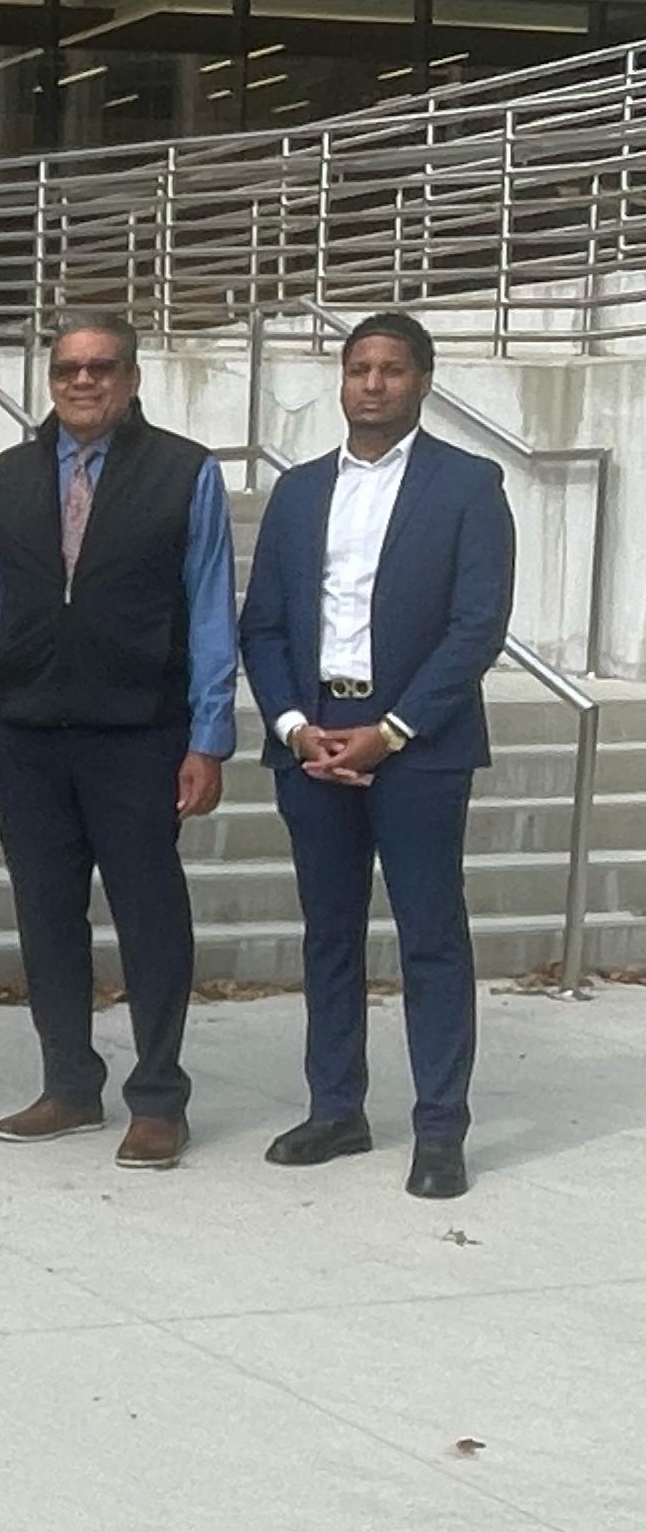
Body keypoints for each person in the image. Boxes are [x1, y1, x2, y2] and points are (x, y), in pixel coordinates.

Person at [0, 311, 237, 1170]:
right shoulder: (7, 476)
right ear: (51, 378)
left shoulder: (185, 473)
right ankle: (69, 1084)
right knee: (45, 915)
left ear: (132, 378)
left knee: (150, 917)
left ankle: (157, 1099)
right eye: (68, 369)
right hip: (27, 734)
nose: (83, 382)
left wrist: (209, 733)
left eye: (101, 367)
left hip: (138, 733)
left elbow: (211, 608)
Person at [239, 312, 514, 1200]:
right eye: (357, 368)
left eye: (390, 370)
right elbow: (265, 623)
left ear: (422, 381)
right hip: (313, 741)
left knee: (430, 936)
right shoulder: (299, 491)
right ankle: (336, 1108)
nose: (371, 383)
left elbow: (477, 627)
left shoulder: (469, 485)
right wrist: (291, 725)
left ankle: (439, 1128)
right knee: (329, 934)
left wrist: (392, 730)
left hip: (417, 750)